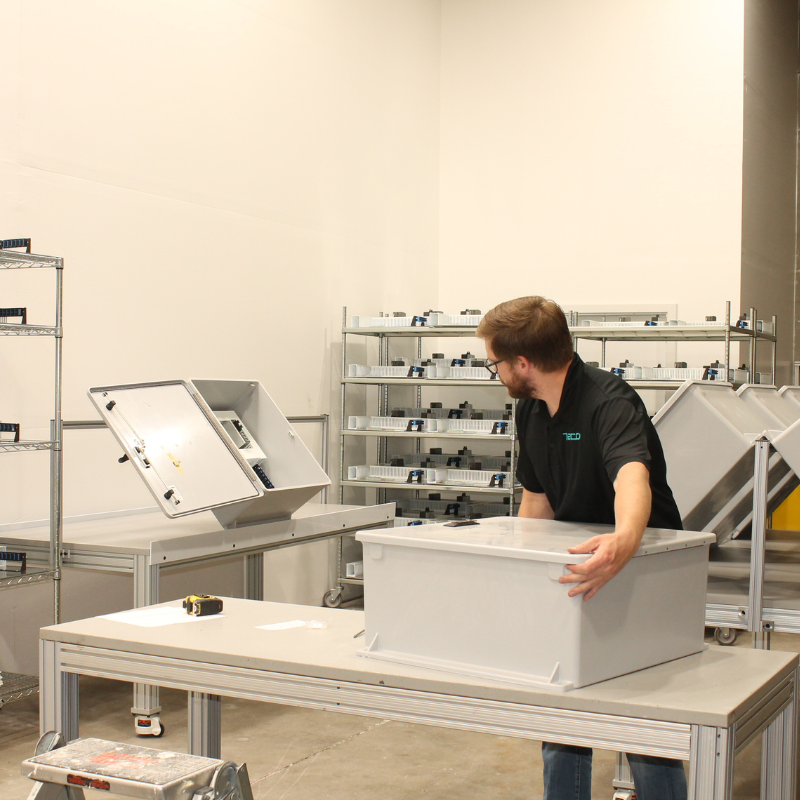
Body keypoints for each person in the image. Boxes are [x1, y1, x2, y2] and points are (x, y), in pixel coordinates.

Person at [476, 296, 686, 800]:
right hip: (579, 569)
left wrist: (623, 542)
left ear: (522, 364)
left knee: (642, 722)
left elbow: (632, 478)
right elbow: (538, 502)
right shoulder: (531, 411)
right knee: (561, 713)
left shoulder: (608, 401)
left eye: (495, 363)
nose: (496, 372)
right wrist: (520, 576)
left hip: (636, 569)